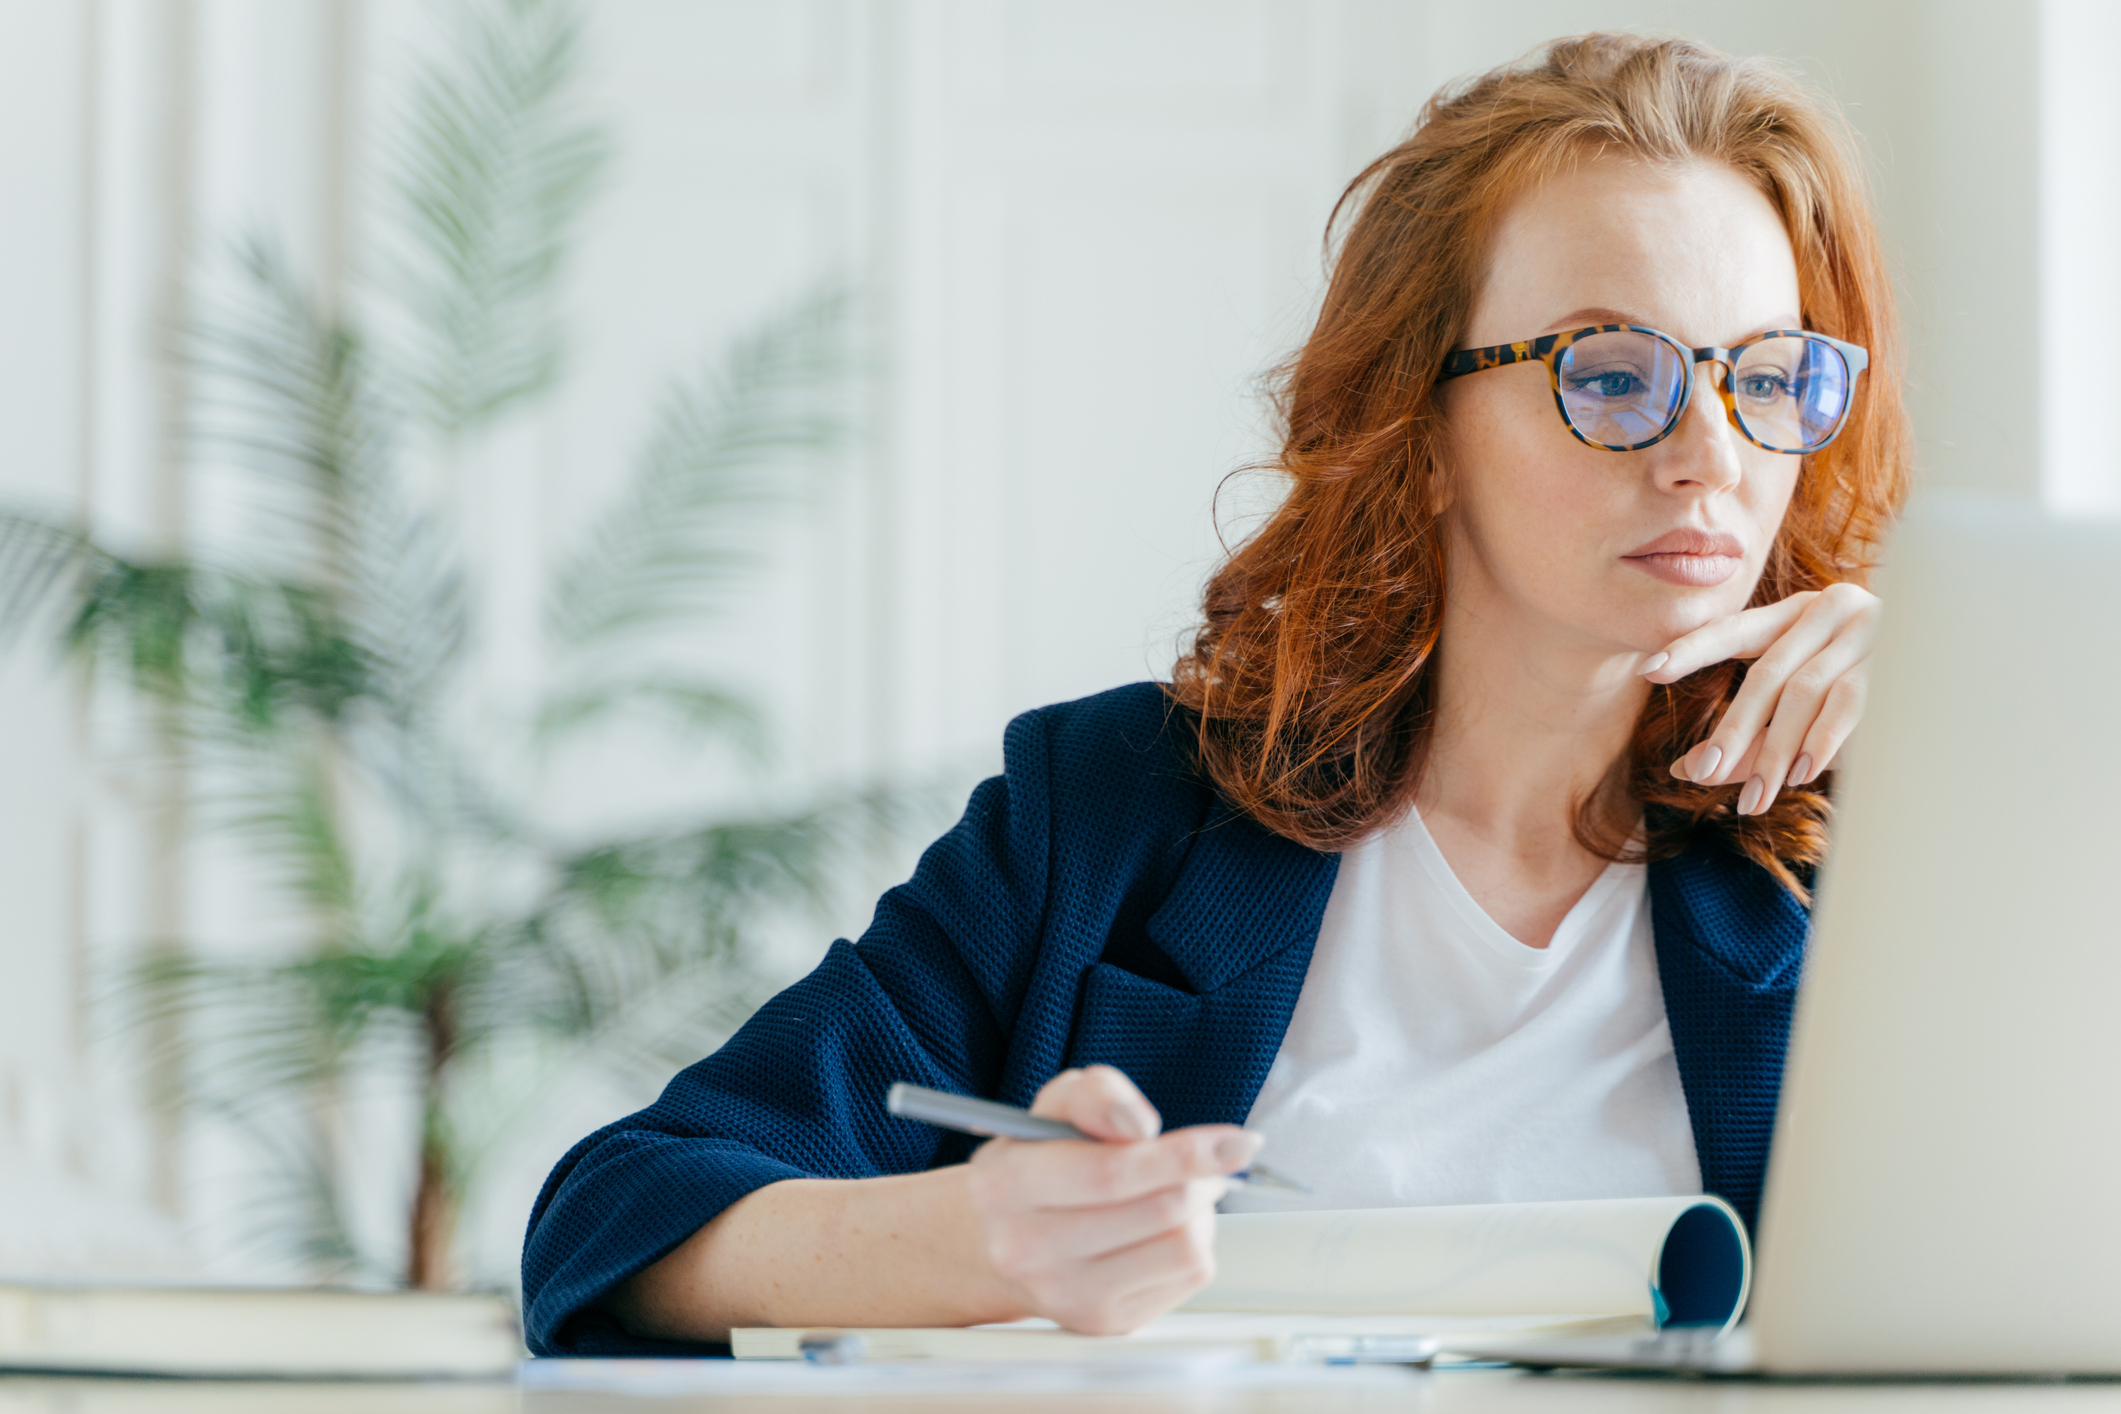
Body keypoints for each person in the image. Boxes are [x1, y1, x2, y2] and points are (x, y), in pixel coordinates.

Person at [520, 32, 1910, 1355]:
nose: (1708, 456)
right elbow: (613, 1220)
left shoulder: (1880, 835)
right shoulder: (1118, 813)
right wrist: (979, 1241)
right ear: (1416, 432)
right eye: (1611, 376)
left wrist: (1962, 755)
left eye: (1770, 376)